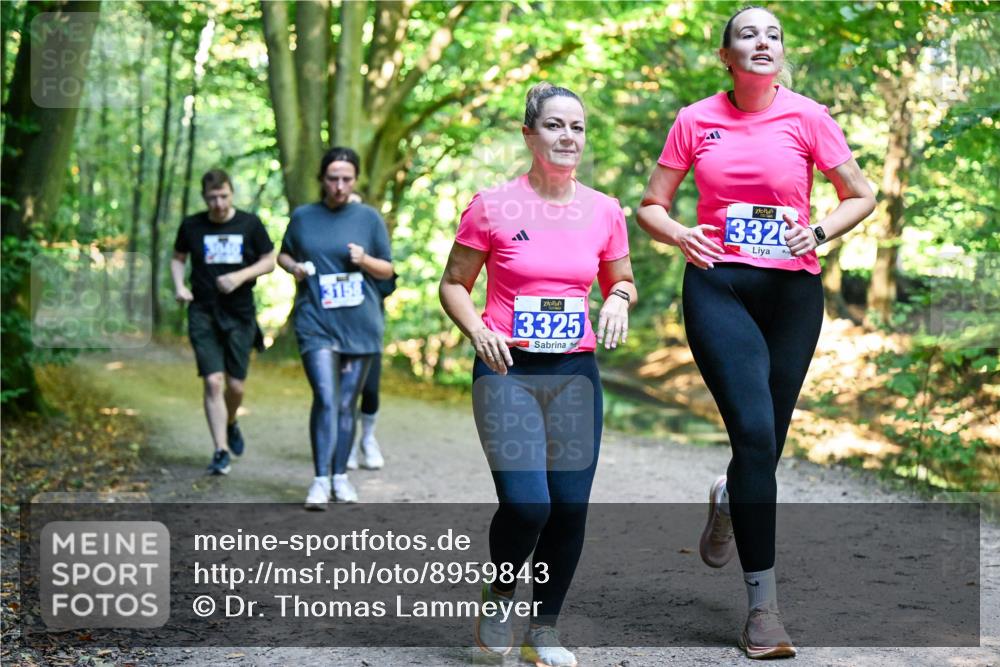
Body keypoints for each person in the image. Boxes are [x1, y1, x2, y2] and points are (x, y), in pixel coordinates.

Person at [637, 6, 876, 659]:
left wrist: (821, 229)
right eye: (748, 34)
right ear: (727, 56)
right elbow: (650, 204)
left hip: (793, 291)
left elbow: (861, 192)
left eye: (772, 34)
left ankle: (726, 493)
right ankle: (763, 610)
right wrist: (680, 232)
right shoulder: (696, 119)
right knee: (754, 431)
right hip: (720, 285)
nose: (762, 42)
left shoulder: (808, 116)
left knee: (764, 443)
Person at [439, 82, 636, 667]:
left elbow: (619, 280)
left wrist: (619, 300)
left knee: (570, 507)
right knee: (528, 504)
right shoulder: (493, 205)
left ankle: (543, 630)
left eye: (576, 127)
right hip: (508, 372)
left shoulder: (604, 210)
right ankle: (500, 596)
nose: (567, 136)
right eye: (554, 125)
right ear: (530, 134)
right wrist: (477, 329)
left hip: (574, 373)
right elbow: (453, 284)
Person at [277, 147, 394, 509]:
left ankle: (340, 478)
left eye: (346, 179)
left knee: (346, 403)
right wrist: (294, 268)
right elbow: (283, 254)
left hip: (360, 323)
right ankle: (319, 479)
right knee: (326, 398)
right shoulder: (303, 217)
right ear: (321, 179)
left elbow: (388, 270)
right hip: (317, 321)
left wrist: (364, 259)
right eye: (333, 178)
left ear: (355, 180)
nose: (340, 186)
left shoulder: (369, 218)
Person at [171, 169, 276, 475]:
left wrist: (239, 276)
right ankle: (220, 450)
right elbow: (178, 257)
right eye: (212, 198)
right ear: (204, 197)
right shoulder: (191, 226)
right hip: (202, 311)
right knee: (213, 381)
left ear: (232, 193)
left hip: (240, 314)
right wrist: (179, 286)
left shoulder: (249, 224)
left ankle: (231, 422)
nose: (218, 203)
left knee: (235, 385)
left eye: (224, 196)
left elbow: (269, 260)